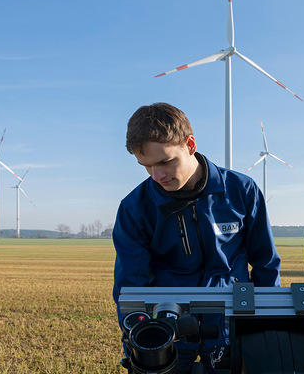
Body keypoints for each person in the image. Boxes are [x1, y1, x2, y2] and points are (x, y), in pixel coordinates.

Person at [112, 102, 281, 374]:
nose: (158, 176)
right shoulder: (134, 208)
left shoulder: (242, 190)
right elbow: (130, 285)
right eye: (146, 166)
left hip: (233, 325)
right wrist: (140, 342)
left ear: (190, 144)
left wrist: (268, 326)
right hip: (168, 330)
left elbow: (265, 263)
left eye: (165, 161)